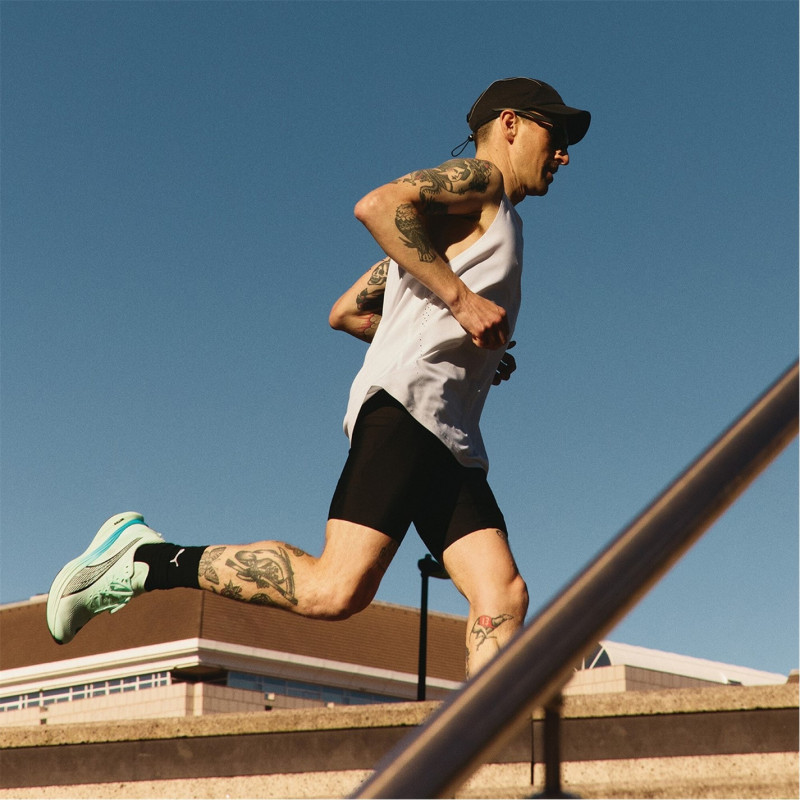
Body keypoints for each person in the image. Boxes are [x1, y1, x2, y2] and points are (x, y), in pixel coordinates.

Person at [47, 77, 590, 679]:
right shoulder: (481, 183)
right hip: (410, 412)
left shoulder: (467, 226)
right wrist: (461, 304)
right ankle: (143, 560)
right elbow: (379, 206)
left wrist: (462, 338)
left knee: (501, 593)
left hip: (449, 434)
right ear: (510, 123)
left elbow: (348, 312)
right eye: (557, 134)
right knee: (334, 588)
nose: (564, 154)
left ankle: (485, 729)